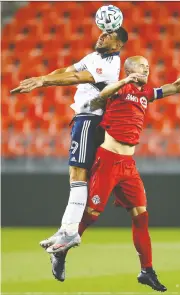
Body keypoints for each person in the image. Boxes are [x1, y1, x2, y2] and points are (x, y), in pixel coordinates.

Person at [53, 56, 180, 289]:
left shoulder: (145, 93)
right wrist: (123, 80)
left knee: (141, 215)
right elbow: (99, 99)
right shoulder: (117, 88)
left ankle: (146, 270)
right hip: (108, 159)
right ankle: (60, 250)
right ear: (129, 70)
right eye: (142, 66)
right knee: (92, 214)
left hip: (128, 164)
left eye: (148, 66)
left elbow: (176, 87)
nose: (147, 69)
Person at [10, 27, 128, 263]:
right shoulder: (94, 58)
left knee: (78, 175)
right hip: (83, 119)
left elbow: (77, 78)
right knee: (77, 175)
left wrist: (43, 81)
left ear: (117, 46)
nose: (102, 36)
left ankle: (70, 230)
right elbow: (68, 70)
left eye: (109, 36)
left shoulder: (112, 63)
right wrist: (43, 78)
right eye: (103, 33)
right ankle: (67, 230)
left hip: (91, 118)